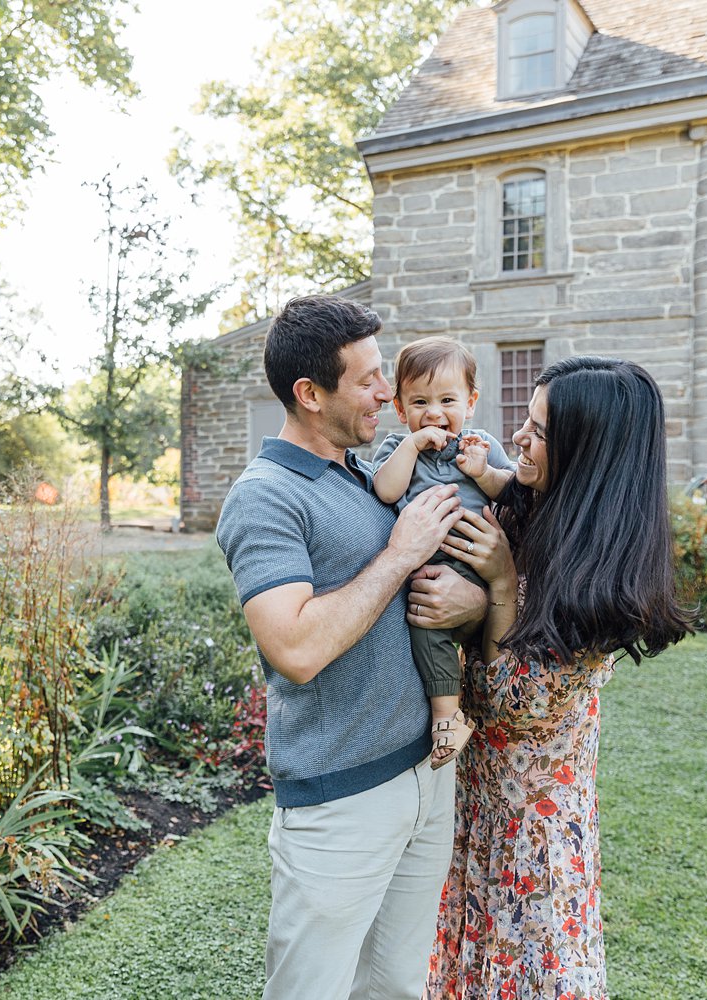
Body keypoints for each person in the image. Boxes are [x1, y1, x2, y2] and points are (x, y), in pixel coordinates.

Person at [215, 294, 489, 1000]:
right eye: (368, 379)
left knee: (398, 987)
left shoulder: (364, 474)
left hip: (425, 774)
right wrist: (401, 555)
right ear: (310, 394)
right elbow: (297, 647)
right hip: (340, 801)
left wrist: (480, 596)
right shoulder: (265, 495)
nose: (386, 393)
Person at [422, 356, 694, 1000]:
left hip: (531, 832)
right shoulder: (531, 506)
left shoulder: (601, 575)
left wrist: (498, 586)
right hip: (475, 803)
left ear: (586, 453)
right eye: (527, 419)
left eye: (540, 431)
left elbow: (514, 702)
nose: (517, 436)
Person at [372, 337, 516, 770]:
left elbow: (513, 493)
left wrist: (483, 471)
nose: (434, 413)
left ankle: (482, 697)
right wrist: (412, 447)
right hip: (431, 576)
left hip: (476, 567)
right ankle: (447, 718)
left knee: (482, 636)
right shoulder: (399, 450)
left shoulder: (480, 443)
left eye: (447, 399)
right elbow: (385, 489)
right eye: (419, 402)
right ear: (400, 410)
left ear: (470, 402)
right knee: (424, 625)